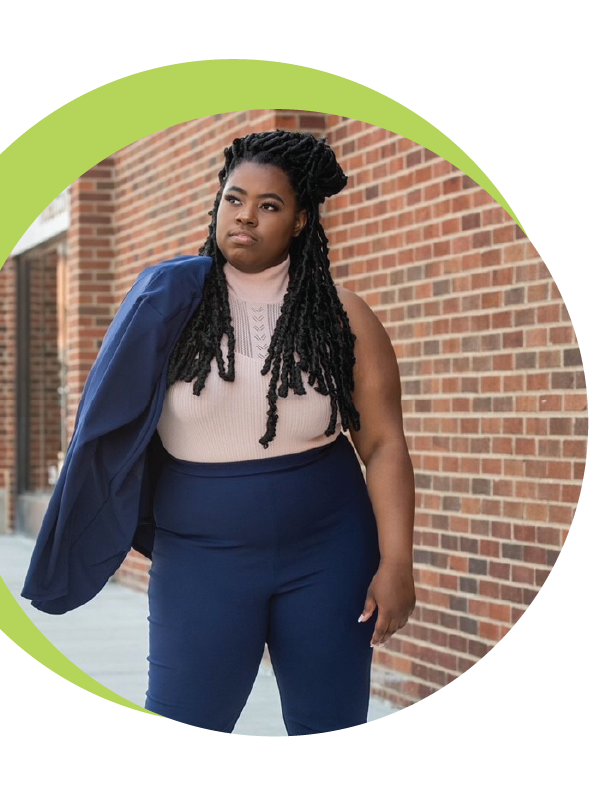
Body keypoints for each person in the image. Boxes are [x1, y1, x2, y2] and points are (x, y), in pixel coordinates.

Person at [142, 129, 416, 735]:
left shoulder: (344, 317)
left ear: (298, 222)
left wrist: (397, 560)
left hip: (330, 551)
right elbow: (109, 429)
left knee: (331, 731)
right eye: (234, 199)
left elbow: (383, 443)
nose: (246, 217)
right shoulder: (168, 307)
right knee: (181, 726)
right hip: (199, 553)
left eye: (269, 206)